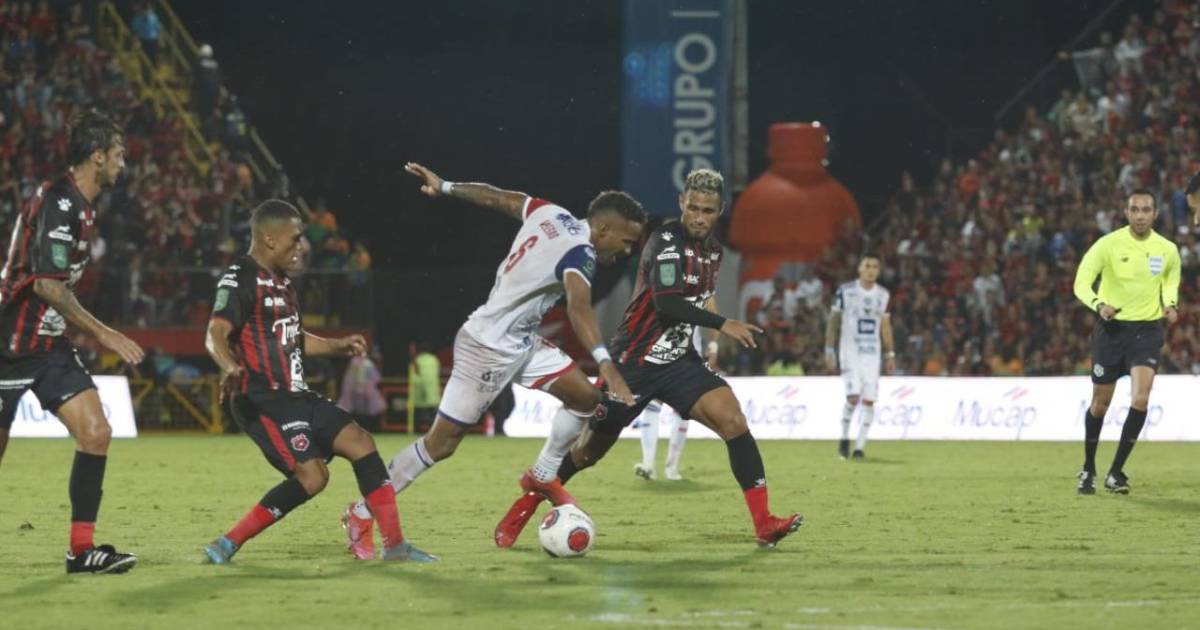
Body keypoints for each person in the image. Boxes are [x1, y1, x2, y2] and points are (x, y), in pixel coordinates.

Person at [341, 162, 645, 559]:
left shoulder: (551, 214)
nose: (626, 251)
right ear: (603, 229)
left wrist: (446, 187)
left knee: (586, 399)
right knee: (440, 445)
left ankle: (542, 476)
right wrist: (605, 364)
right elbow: (579, 307)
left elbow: (498, 197)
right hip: (487, 347)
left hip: (521, 342)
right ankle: (360, 512)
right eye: (626, 241)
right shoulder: (581, 252)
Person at [495, 169, 803, 549]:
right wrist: (723, 324)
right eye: (693, 208)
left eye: (708, 210)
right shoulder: (665, 242)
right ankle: (524, 507)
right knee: (587, 453)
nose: (699, 217)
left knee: (733, 421)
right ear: (681, 204)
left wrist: (709, 340)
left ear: (720, 210)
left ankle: (764, 523)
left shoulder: (714, 253)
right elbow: (667, 303)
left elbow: (698, 298)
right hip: (633, 364)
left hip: (680, 363)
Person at [201, 200, 434, 563]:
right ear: (270, 239)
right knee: (313, 477)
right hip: (262, 399)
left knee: (361, 442)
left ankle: (395, 546)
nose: (301, 248)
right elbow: (214, 333)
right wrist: (229, 366)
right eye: (295, 239)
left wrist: (337, 345)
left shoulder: (283, 282)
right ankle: (227, 542)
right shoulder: (240, 277)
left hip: (296, 395)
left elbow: (292, 337)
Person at [0, 110, 145, 574]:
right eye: (118, 154)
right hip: (9, 343)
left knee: (96, 432)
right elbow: (46, 284)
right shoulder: (58, 201)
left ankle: (81, 552)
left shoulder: (81, 205)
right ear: (97, 156)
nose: (123, 162)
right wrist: (105, 332)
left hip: (48, 344)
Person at [1072, 190, 1181, 495]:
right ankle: (1088, 468)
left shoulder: (1167, 249)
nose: (1140, 215)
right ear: (1126, 213)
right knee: (1100, 404)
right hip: (1112, 330)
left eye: (1146, 210)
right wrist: (1098, 304)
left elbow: (1170, 280)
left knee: (1140, 399)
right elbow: (1081, 282)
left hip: (1147, 331)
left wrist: (1170, 303)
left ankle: (1116, 472)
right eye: (1135, 209)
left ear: (1155, 214)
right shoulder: (1107, 244)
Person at [824, 254, 896, 460]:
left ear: (879, 271)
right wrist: (829, 350)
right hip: (850, 353)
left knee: (869, 400)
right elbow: (833, 321)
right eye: (867, 266)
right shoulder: (845, 291)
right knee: (853, 397)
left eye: (875, 266)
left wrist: (890, 354)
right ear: (859, 269)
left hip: (872, 354)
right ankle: (844, 438)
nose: (871, 270)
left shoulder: (883, 295)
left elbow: (885, 326)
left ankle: (859, 448)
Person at [633, 327, 717, 481]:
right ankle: (648, 464)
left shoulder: (698, 308)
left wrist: (713, 347)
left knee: (682, 409)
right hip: (660, 355)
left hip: (688, 359)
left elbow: (714, 318)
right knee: (652, 404)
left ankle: (672, 467)